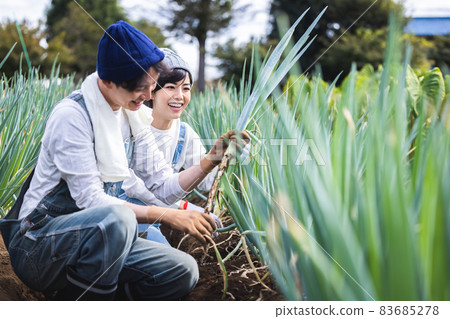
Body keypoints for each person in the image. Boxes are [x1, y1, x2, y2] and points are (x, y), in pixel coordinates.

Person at [0, 21, 249, 300]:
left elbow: (161, 185)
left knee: (182, 270)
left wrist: (210, 159)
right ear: (107, 82)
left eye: (152, 85)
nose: (148, 96)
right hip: (40, 244)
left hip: (103, 239)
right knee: (119, 219)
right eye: (141, 88)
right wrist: (167, 214)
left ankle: (85, 293)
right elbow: (91, 201)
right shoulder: (73, 117)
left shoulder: (132, 116)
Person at [120, 48, 250, 244]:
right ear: (151, 91)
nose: (180, 96)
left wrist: (230, 157)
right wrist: (183, 208)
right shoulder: (131, 127)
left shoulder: (184, 133)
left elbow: (205, 181)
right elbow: (137, 191)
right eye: (170, 87)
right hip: (126, 215)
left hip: (159, 214)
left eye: (186, 88)